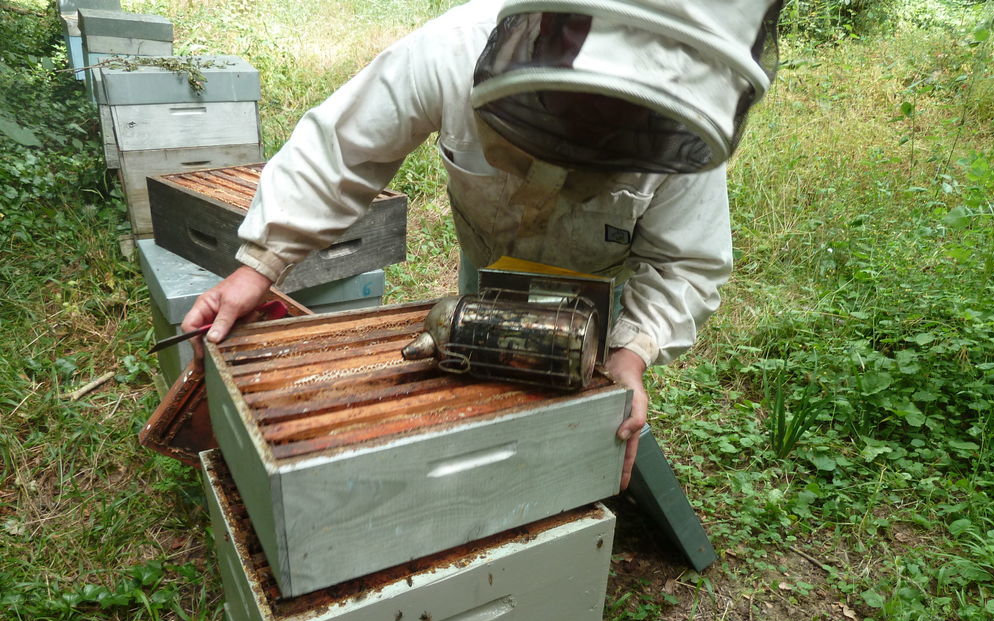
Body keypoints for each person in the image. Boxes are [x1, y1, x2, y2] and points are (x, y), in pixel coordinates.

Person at [182, 0, 783, 488]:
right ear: (552, 27)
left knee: (577, 410)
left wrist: (631, 354)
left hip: (601, 282)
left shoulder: (680, 114)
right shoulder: (453, 47)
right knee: (473, 384)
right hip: (487, 260)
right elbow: (342, 150)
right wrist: (260, 264)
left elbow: (686, 261)